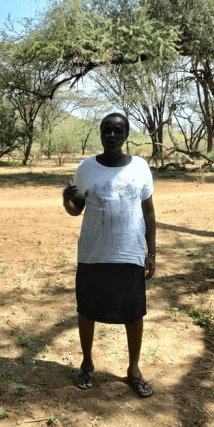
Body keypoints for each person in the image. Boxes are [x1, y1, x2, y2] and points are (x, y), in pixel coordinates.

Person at [62, 112, 156, 398]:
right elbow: (76, 210)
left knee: (134, 313)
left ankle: (134, 370)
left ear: (126, 134)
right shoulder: (86, 168)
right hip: (93, 253)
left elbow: (148, 211)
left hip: (130, 253)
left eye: (118, 131)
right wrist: (66, 200)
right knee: (87, 309)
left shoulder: (140, 167)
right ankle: (87, 364)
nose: (112, 136)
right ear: (100, 133)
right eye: (107, 131)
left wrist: (152, 251)